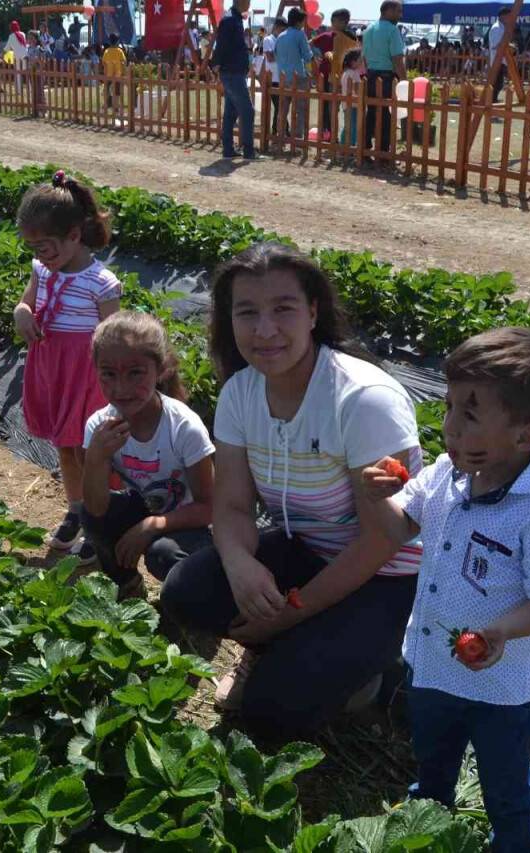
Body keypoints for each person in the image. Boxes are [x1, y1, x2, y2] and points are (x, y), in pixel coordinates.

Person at [157, 243, 422, 737]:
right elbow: (232, 504)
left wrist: (286, 615)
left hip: (387, 575)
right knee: (186, 590)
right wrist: (240, 565)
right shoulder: (241, 392)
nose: (264, 330)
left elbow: (380, 541)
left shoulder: (363, 399)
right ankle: (292, 652)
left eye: (283, 309)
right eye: (247, 312)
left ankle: (373, 678)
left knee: (270, 714)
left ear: (313, 312)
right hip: (309, 548)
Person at [362, 327, 530, 853]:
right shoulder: (447, 474)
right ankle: (428, 819)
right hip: (432, 664)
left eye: (469, 414)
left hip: (500, 686)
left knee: (504, 780)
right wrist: (374, 495)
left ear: (525, 437)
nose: (449, 427)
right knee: (432, 757)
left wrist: (501, 631)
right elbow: (400, 528)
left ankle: (513, 842)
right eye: (449, 407)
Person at [15, 171, 122, 564]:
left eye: (46, 247)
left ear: (74, 235)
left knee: (90, 451)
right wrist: (21, 312)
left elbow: (113, 340)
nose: (41, 255)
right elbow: (27, 302)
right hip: (52, 371)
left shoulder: (102, 283)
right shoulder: (42, 269)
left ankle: (101, 519)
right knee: (65, 446)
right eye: (35, 248)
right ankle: (76, 508)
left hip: (86, 377)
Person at [81, 311, 216, 599]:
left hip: (191, 523)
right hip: (144, 507)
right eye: (109, 374)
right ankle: (127, 585)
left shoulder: (183, 428)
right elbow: (95, 507)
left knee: (163, 553)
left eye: (135, 373)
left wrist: (152, 526)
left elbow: (210, 507)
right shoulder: (100, 427)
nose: (121, 388)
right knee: (91, 517)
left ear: (161, 369)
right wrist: (96, 458)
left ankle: (188, 601)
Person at [211, 0, 257, 159]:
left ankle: (228, 149)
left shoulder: (234, 18)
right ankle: (249, 151)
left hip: (233, 71)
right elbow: (222, 44)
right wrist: (216, 65)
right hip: (232, 72)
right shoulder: (230, 19)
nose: (249, 4)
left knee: (231, 113)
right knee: (247, 111)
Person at [362, 0, 406, 157]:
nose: (400, 15)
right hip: (386, 77)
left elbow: (364, 57)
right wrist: (404, 80)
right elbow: (397, 59)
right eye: (398, 11)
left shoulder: (368, 29)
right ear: (388, 11)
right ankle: (383, 152)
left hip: (370, 75)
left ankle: (366, 149)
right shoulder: (392, 30)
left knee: (371, 113)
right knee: (386, 116)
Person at [311, 9, 359, 140]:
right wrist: (318, 58)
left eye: (345, 21)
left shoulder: (348, 38)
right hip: (332, 77)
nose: (344, 23)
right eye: (341, 21)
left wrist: (329, 56)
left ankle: (338, 137)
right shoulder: (328, 36)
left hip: (342, 77)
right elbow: (310, 44)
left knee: (341, 108)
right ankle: (332, 136)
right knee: (331, 108)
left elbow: (349, 57)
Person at [274, 7, 314, 150]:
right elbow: (307, 56)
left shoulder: (280, 36)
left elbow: (276, 54)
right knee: (300, 109)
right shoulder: (299, 34)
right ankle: (297, 139)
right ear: (299, 21)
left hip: (283, 77)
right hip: (298, 77)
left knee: (283, 109)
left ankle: (280, 137)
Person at [264, 17, 288, 140]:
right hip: (272, 79)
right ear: (276, 28)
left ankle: (279, 130)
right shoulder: (268, 39)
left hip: (283, 78)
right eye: (282, 30)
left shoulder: (283, 40)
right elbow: (270, 57)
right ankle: (279, 131)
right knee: (279, 107)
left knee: (282, 107)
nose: (283, 32)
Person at [339, 47, 364, 148]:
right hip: (353, 105)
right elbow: (357, 89)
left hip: (347, 104)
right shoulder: (353, 73)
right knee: (353, 127)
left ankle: (343, 145)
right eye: (360, 60)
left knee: (347, 126)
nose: (362, 62)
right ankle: (350, 146)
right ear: (353, 62)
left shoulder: (346, 73)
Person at [487, 7, 510, 102]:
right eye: (508, 16)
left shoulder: (503, 27)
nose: (509, 18)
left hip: (502, 59)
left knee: (499, 82)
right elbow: (495, 44)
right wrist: (507, 45)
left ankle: (493, 99)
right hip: (496, 59)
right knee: (496, 82)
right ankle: (492, 100)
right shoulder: (496, 28)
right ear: (502, 16)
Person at [101, 35, 127, 110]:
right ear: (117, 42)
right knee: (117, 91)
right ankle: (116, 106)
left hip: (108, 74)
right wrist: (123, 71)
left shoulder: (106, 51)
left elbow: (103, 62)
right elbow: (124, 62)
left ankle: (106, 104)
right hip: (117, 74)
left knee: (106, 90)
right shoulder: (120, 51)